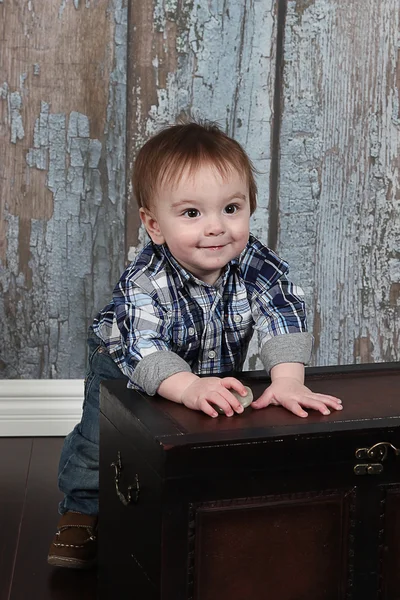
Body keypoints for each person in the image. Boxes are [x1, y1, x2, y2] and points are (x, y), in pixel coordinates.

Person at [47, 119, 342, 569]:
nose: (216, 228)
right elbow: (143, 345)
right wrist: (186, 386)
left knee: (200, 429)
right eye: (191, 214)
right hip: (124, 361)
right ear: (154, 225)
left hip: (206, 363)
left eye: (231, 208)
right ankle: (81, 509)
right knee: (100, 437)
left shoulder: (254, 262)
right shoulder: (145, 280)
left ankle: (190, 498)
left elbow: (282, 311)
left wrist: (288, 379)